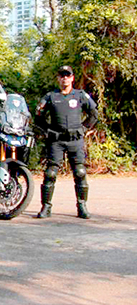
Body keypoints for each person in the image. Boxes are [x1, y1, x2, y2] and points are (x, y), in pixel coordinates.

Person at [35, 65, 98, 219]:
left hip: (75, 139)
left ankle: (82, 206)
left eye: (67, 75)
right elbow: (38, 116)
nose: (64, 78)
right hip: (57, 140)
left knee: (80, 172)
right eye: (62, 75)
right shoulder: (50, 96)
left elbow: (93, 113)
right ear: (58, 78)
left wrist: (84, 128)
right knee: (50, 173)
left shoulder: (80, 95)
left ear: (72, 78)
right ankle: (46, 207)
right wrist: (47, 131)